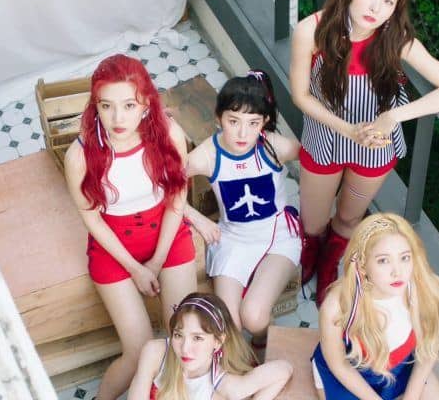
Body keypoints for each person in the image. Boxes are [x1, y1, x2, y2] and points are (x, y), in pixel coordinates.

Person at [290, 0, 439, 305]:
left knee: (348, 218)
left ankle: (331, 263)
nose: (376, 8)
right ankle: (310, 254)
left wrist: (393, 116)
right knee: (312, 221)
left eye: (388, 1)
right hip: (325, 135)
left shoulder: (397, 39)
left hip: (374, 146)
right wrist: (346, 128)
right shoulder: (312, 30)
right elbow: (300, 95)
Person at [64, 54, 197, 400]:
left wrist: (157, 260)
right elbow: (91, 218)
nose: (118, 118)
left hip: (167, 235)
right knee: (138, 350)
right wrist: (135, 268)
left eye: (128, 105)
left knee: (185, 338)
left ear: (145, 104)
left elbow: (177, 199)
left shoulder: (169, 134)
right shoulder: (80, 155)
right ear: (95, 106)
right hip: (114, 247)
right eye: (106, 106)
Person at [183, 70, 302, 348]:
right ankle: (240, 362)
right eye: (233, 121)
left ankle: (264, 340)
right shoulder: (207, 155)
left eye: (253, 123)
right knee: (230, 326)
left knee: (254, 318)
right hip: (233, 240)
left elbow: (318, 158)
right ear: (219, 118)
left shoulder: (273, 146)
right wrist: (196, 218)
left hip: (277, 238)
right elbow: (161, 184)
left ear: (264, 123)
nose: (242, 133)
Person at [312, 213, 439, 399]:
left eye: (405, 258)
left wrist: (411, 396)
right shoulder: (337, 306)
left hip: (399, 369)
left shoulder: (425, 291)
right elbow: (339, 365)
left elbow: (429, 349)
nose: (397, 272)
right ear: (362, 265)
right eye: (383, 260)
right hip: (350, 377)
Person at [128, 292, 293, 399]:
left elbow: (284, 369)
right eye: (178, 335)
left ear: (217, 341)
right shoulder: (154, 352)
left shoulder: (222, 387)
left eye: (197, 338)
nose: (185, 349)